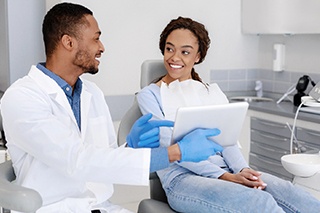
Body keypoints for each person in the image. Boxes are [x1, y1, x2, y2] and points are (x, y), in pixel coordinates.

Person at [0, 4, 223, 213]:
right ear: (69, 43)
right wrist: (175, 152)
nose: (101, 47)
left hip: (101, 206)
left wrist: (130, 147)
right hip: (54, 208)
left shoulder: (92, 93)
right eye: (96, 39)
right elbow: (77, 159)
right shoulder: (22, 97)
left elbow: (103, 157)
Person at [136, 16, 320, 213]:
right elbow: (170, 149)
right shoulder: (150, 95)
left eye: (185, 52)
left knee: (295, 196)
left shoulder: (210, 92)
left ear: (197, 56)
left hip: (227, 170)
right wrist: (225, 177)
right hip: (183, 179)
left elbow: (227, 140)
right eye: (169, 48)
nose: (174, 57)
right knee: (259, 202)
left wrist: (243, 170)